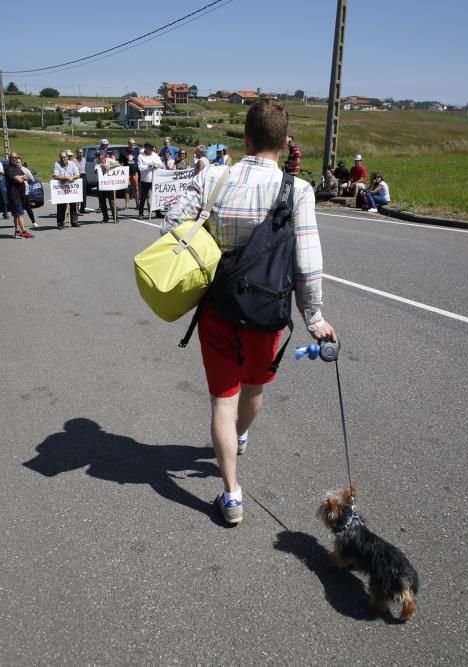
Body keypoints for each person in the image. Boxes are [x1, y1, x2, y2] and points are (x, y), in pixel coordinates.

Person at [161, 99, 336, 526]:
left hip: (219, 306)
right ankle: (240, 436)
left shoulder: (214, 176)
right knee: (253, 390)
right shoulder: (296, 191)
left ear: (246, 138)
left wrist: (209, 233)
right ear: (284, 141)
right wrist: (314, 317)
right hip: (266, 311)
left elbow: (171, 223)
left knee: (223, 399)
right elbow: (307, 260)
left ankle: (232, 495)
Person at [5, 152, 33, 238]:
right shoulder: (9, 169)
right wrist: (21, 177)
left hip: (20, 194)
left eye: (16, 157)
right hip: (14, 195)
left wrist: (22, 177)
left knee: (16, 214)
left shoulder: (17, 167)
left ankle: (17, 231)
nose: (14, 159)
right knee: (20, 213)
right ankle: (24, 232)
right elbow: (20, 180)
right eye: (12, 157)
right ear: (9, 158)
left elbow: (27, 176)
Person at [53, 150, 81, 229]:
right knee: (61, 206)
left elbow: (77, 175)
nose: (63, 159)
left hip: (71, 188)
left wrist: (72, 177)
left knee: (73, 205)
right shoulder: (57, 164)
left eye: (64, 157)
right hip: (61, 189)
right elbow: (55, 176)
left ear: (67, 157)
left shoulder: (72, 164)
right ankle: (60, 223)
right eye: (61, 158)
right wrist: (66, 178)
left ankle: (74, 221)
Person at [137, 141, 164, 219]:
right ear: (145, 147)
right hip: (145, 180)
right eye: (150, 147)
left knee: (156, 196)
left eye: (152, 147)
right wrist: (148, 166)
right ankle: (141, 213)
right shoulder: (141, 156)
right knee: (143, 197)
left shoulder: (155, 155)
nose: (152, 149)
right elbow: (140, 168)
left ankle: (157, 212)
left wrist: (156, 165)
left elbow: (161, 165)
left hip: (155, 179)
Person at [94, 150, 121, 223]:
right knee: (102, 202)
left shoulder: (109, 160)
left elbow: (118, 164)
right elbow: (96, 171)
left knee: (112, 201)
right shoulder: (97, 163)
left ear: (103, 155)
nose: (97, 157)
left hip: (109, 184)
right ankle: (105, 218)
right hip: (101, 184)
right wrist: (101, 166)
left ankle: (115, 217)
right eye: (97, 156)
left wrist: (109, 166)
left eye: (99, 155)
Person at [20, 159, 39, 228]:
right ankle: (19, 224)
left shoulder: (25, 170)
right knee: (19, 209)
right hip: (17, 193)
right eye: (17, 162)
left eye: (19, 162)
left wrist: (26, 179)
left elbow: (32, 179)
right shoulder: (13, 170)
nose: (18, 163)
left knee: (28, 208)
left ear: (22, 162)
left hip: (25, 192)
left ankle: (34, 222)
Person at [122, 138, 140, 210]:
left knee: (136, 188)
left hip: (135, 172)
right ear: (128, 143)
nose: (132, 145)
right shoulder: (123, 151)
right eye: (131, 143)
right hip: (127, 173)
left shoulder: (137, 151)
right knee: (127, 189)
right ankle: (126, 205)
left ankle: (138, 205)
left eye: (133, 143)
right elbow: (121, 162)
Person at [74, 147, 89, 214]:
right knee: (77, 192)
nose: (81, 154)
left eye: (82, 152)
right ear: (77, 153)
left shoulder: (84, 159)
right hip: (77, 176)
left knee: (84, 193)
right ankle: (76, 209)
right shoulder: (74, 161)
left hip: (83, 175)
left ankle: (83, 208)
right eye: (79, 152)